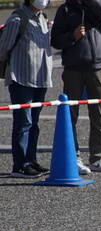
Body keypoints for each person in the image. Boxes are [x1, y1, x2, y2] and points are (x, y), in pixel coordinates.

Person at [51, 0, 101, 174]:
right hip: (73, 68)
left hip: (99, 67)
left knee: (98, 116)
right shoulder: (65, 9)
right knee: (71, 115)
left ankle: (97, 158)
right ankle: (74, 158)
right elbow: (55, 40)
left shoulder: (98, 4)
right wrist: (72, 36)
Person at [1, 0, 52, 178]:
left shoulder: (43, 18)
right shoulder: (17, 19)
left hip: (41, 78)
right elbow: (3, 49)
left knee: (34, 123)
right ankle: (20, 164)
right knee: (23, 123)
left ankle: (31, 160)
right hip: (21, 78)